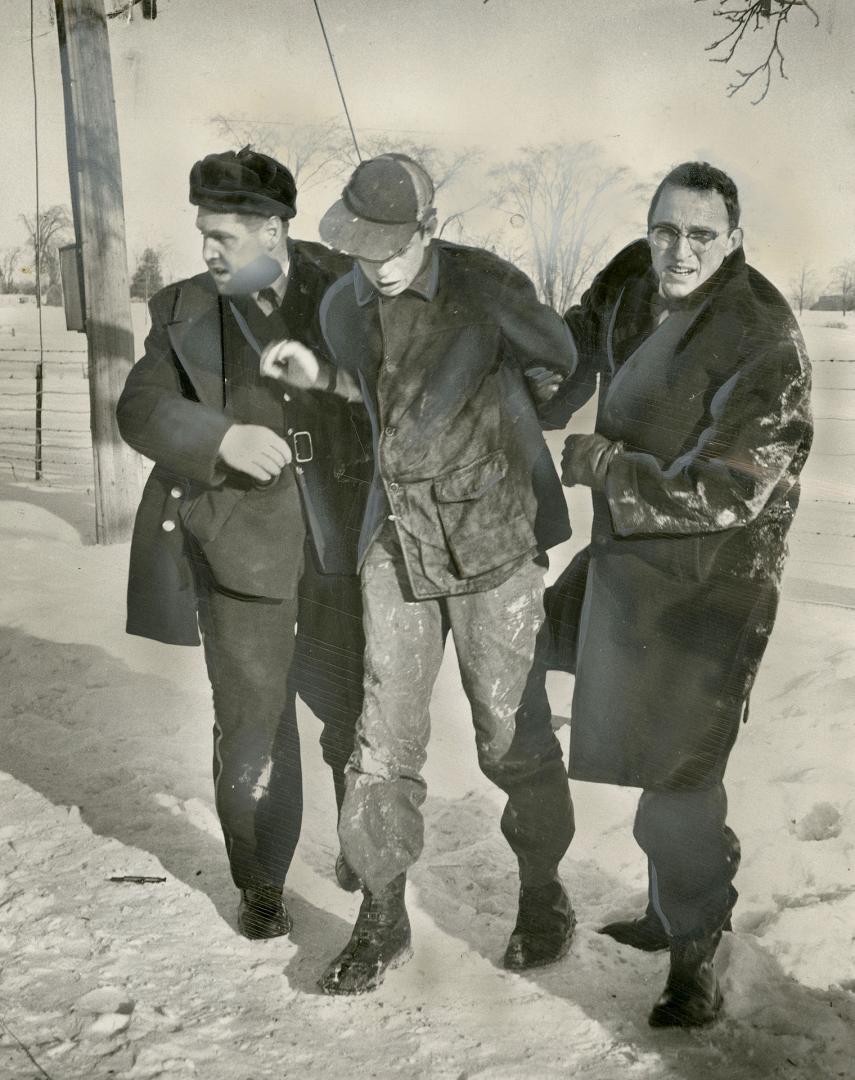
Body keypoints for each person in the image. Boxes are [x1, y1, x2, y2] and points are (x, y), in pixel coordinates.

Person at [261, 153, 578, 994]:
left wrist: (500, 418)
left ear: (429, 227)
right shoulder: (343, 305)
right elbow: (367, 394)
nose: (379, 262)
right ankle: (381, 914)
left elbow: (559, 363)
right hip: (394, 540)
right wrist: (319, 376)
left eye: (393, 245)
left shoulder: (486, 286)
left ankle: (543, 894)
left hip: (490, 542)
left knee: (510, 737)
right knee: (381, 740)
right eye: (363, 247)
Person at [539, 161, 813, 1026]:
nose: (678, 250)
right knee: (575, 711)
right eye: (665, 229)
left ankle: (697, 943)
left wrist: (607, 466)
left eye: (700, 235)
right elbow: (566, 359)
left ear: (732, 239)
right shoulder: (629, 278)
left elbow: (734, 487)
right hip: (632, 560)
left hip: (714, 583)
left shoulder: (760, 334)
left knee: (683, 774)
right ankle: (664, 911)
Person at [116, 148, 370, 940]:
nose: (209, 251)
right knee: (253, 725)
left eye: (224, 235)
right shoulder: (185, 308)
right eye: (203, 233)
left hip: (348, 542)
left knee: (358, 710)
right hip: (240, 545)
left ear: (273, 230)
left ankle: (364, 847)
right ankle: (260, 880)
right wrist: (220, 439)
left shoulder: (350, 288)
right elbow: (139, 408)